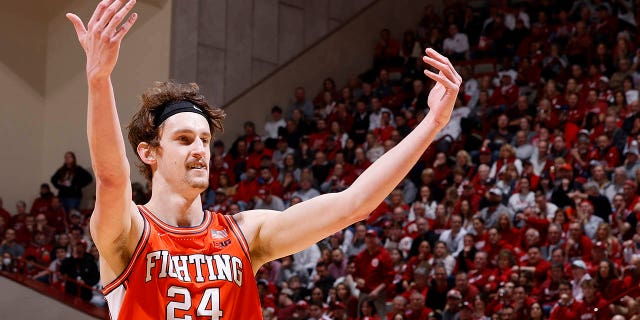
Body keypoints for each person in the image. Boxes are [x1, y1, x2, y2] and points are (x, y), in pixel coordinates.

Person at [66, 0, 460, 318]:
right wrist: (99, 80)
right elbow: (111, 179)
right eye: (184, 139)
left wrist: (433, 123)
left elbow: (353, 205)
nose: (200, 149)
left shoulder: (245, 234)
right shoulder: (129, 231)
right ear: (149, 153)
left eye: (205, 139)